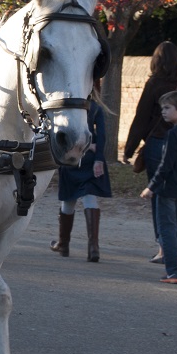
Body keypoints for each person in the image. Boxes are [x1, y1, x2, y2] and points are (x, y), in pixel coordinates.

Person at [123, 41, 177, 263]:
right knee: (175, 197)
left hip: (157, 143)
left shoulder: (154, 84)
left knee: (158, 196)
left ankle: (166, 246)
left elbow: (141, 116)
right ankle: (173, 242)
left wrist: (130, 147)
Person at [50, 81, 112, 262]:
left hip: (71, 156)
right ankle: (93, 248)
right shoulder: (95, 108)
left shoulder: (68, 107)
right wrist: (98, 158)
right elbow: (102, 136)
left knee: (68, 199)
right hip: (90, 158)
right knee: (89, 197)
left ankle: (64, 243)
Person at [141, 91, 177, 284]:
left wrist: (151, 187)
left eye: (167, 108)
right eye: (162, 108)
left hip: (167, 188)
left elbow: (166, 164)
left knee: (166, 229)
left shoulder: (172, 135)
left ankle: (173, 271)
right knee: (175, 225)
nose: (163, 112)